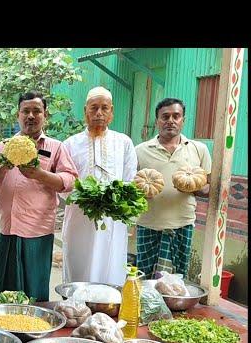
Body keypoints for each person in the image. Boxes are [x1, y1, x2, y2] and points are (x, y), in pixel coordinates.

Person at [0, 92, 78, 301]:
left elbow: (70, 181)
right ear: (18, 115)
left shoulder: (55, 147)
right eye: (26, 111)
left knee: (35, 292)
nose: (31, 116)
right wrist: (4, 166)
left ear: (45, 115)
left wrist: (40, 174)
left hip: (38, 233)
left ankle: (35, 332)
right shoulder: (3, 146)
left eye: (36, 111)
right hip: (8, 230)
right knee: (5, 293)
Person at [61, 86, 138, 286]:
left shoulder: (124, 143)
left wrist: (115, 201)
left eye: (105, 108)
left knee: (111, 268)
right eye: (94, 108)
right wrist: (85, 197)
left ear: (112, 111)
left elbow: (130, 181)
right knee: (78, 268)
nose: (99, 113)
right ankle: (77, 310)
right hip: (80, 218)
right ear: (85, 110)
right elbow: (63, 186)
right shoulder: (70, 144)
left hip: (113, 220)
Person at [135, 98, 212, 279]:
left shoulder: (198, 149)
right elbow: (131, 185)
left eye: (176, 116)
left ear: (183, 120)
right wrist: (140, 189)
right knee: (146, 279)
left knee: (178, 280)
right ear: (157, 121)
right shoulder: (140, 150)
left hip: (182, 224)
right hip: (148, 224)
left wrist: (193, 188)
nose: (171, 120)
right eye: (165, 116)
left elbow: (208, 188)